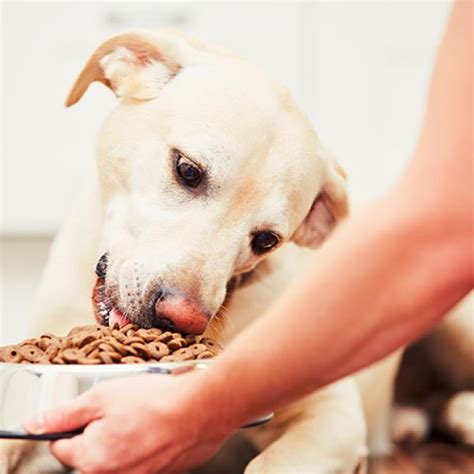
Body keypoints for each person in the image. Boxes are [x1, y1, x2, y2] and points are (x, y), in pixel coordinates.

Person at [25, 2, 472, 472]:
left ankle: (443, 399)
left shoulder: (310, 236)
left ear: (313, 226)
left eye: (262, 241)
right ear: (130, 65)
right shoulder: (92, 234)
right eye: (188, 174)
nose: (192, 306)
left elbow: (335, 423)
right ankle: (437, 407)